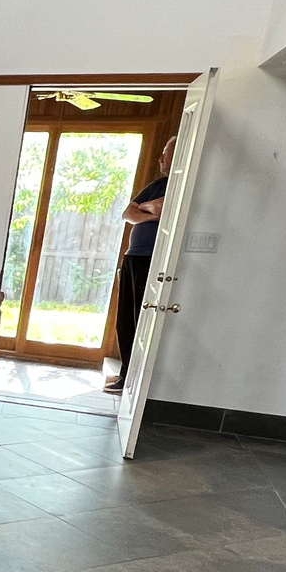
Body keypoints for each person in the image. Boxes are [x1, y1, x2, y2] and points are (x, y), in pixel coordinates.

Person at [104, 135, 175, 395]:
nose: (161, 159)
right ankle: (126, 373)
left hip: (153, 260)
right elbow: (127, 214)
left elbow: (165, 210)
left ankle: (135, 379)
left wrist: (147, 209)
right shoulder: (158, 185)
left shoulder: (181, 186)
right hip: (133, 256)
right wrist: (151, 207)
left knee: (141, 320)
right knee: (125, 321)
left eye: (166, 153)